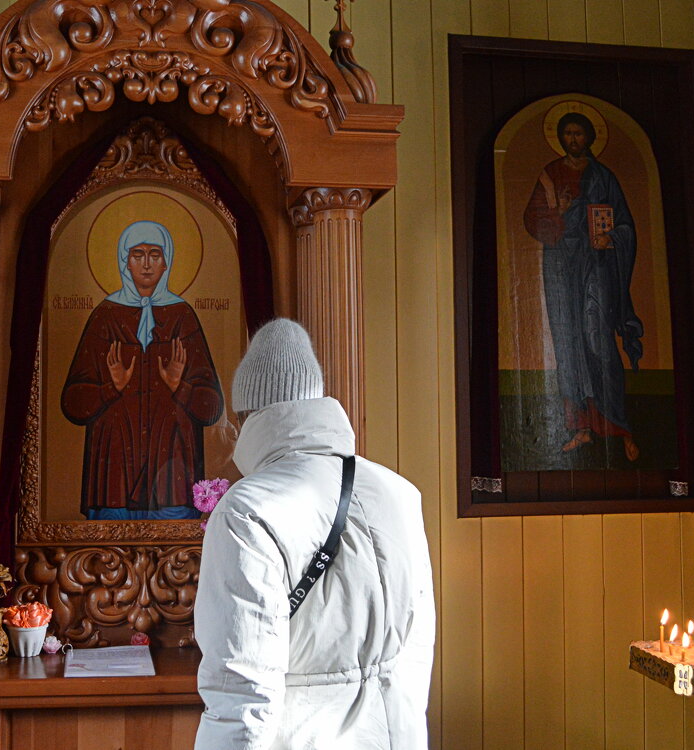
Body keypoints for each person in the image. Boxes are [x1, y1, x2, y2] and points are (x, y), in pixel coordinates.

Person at [195, 318, 435, 749]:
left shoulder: (246, 511)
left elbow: (243, 694)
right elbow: (416, 656)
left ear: (247, 416)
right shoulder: (400, 493)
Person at [62, 219, 224, 519]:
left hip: (172, 478)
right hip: (114, 478)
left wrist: (179, 386)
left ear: (166, 262)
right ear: (125, 261)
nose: (146, 264)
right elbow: (73, 402)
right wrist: (111, 388)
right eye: (137, 254)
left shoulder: (183, 317)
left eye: (154, 254)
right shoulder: (104, 316)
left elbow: (212, 407)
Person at [522, 111, 644, 462]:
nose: (573, 139)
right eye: (568, 133)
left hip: (595, 266)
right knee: (567, 341)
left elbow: (626, 225)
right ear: (560, 138)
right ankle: (581, 427)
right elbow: (532, 220)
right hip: (561, 264)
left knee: (597, 338)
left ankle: (619, 426)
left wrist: (611, 238)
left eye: (578, 133)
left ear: (589, 136)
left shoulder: (604, 177)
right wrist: (559, 213)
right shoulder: (550, 174)